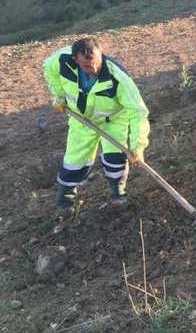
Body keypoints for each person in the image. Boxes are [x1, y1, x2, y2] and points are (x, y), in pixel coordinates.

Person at [43, 37, 150, 211]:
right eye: (86, 66)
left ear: (101, 54)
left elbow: (137, 112)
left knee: (115, 158)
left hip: (113, 120)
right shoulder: (61, 61)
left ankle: (118, 194)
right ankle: (65, 203)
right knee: (74, 161)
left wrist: (138, 146)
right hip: (81, 120)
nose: (93, 69)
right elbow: (49, 69)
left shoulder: (118, 77)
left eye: (96, 63)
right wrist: (59, 96)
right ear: (75, 60)